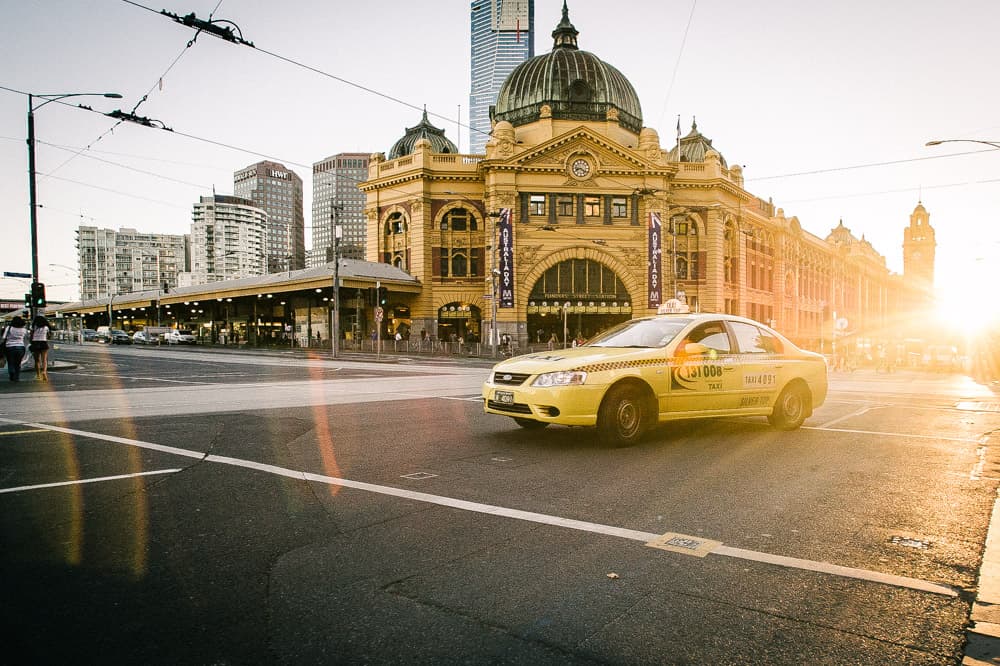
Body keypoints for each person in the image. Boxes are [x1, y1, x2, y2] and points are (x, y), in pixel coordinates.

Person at [2, 316, 29, 382]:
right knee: (18, 363)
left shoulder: (9, 328)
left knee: (10, 362)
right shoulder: (24, 329)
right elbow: (27, 337)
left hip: (10, 347)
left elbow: (3, 337)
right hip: (20, 347)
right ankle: (17, 377)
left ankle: (12, 373)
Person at [29, 315, 51, 381]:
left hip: (35, 343)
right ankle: (44, 372)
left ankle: (38, 374)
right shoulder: (46, 327)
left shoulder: (33, 327)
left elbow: (31, 335)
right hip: (43, 343)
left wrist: (31, 342)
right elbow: (49, 336)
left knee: (37, 360)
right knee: (44, 359)